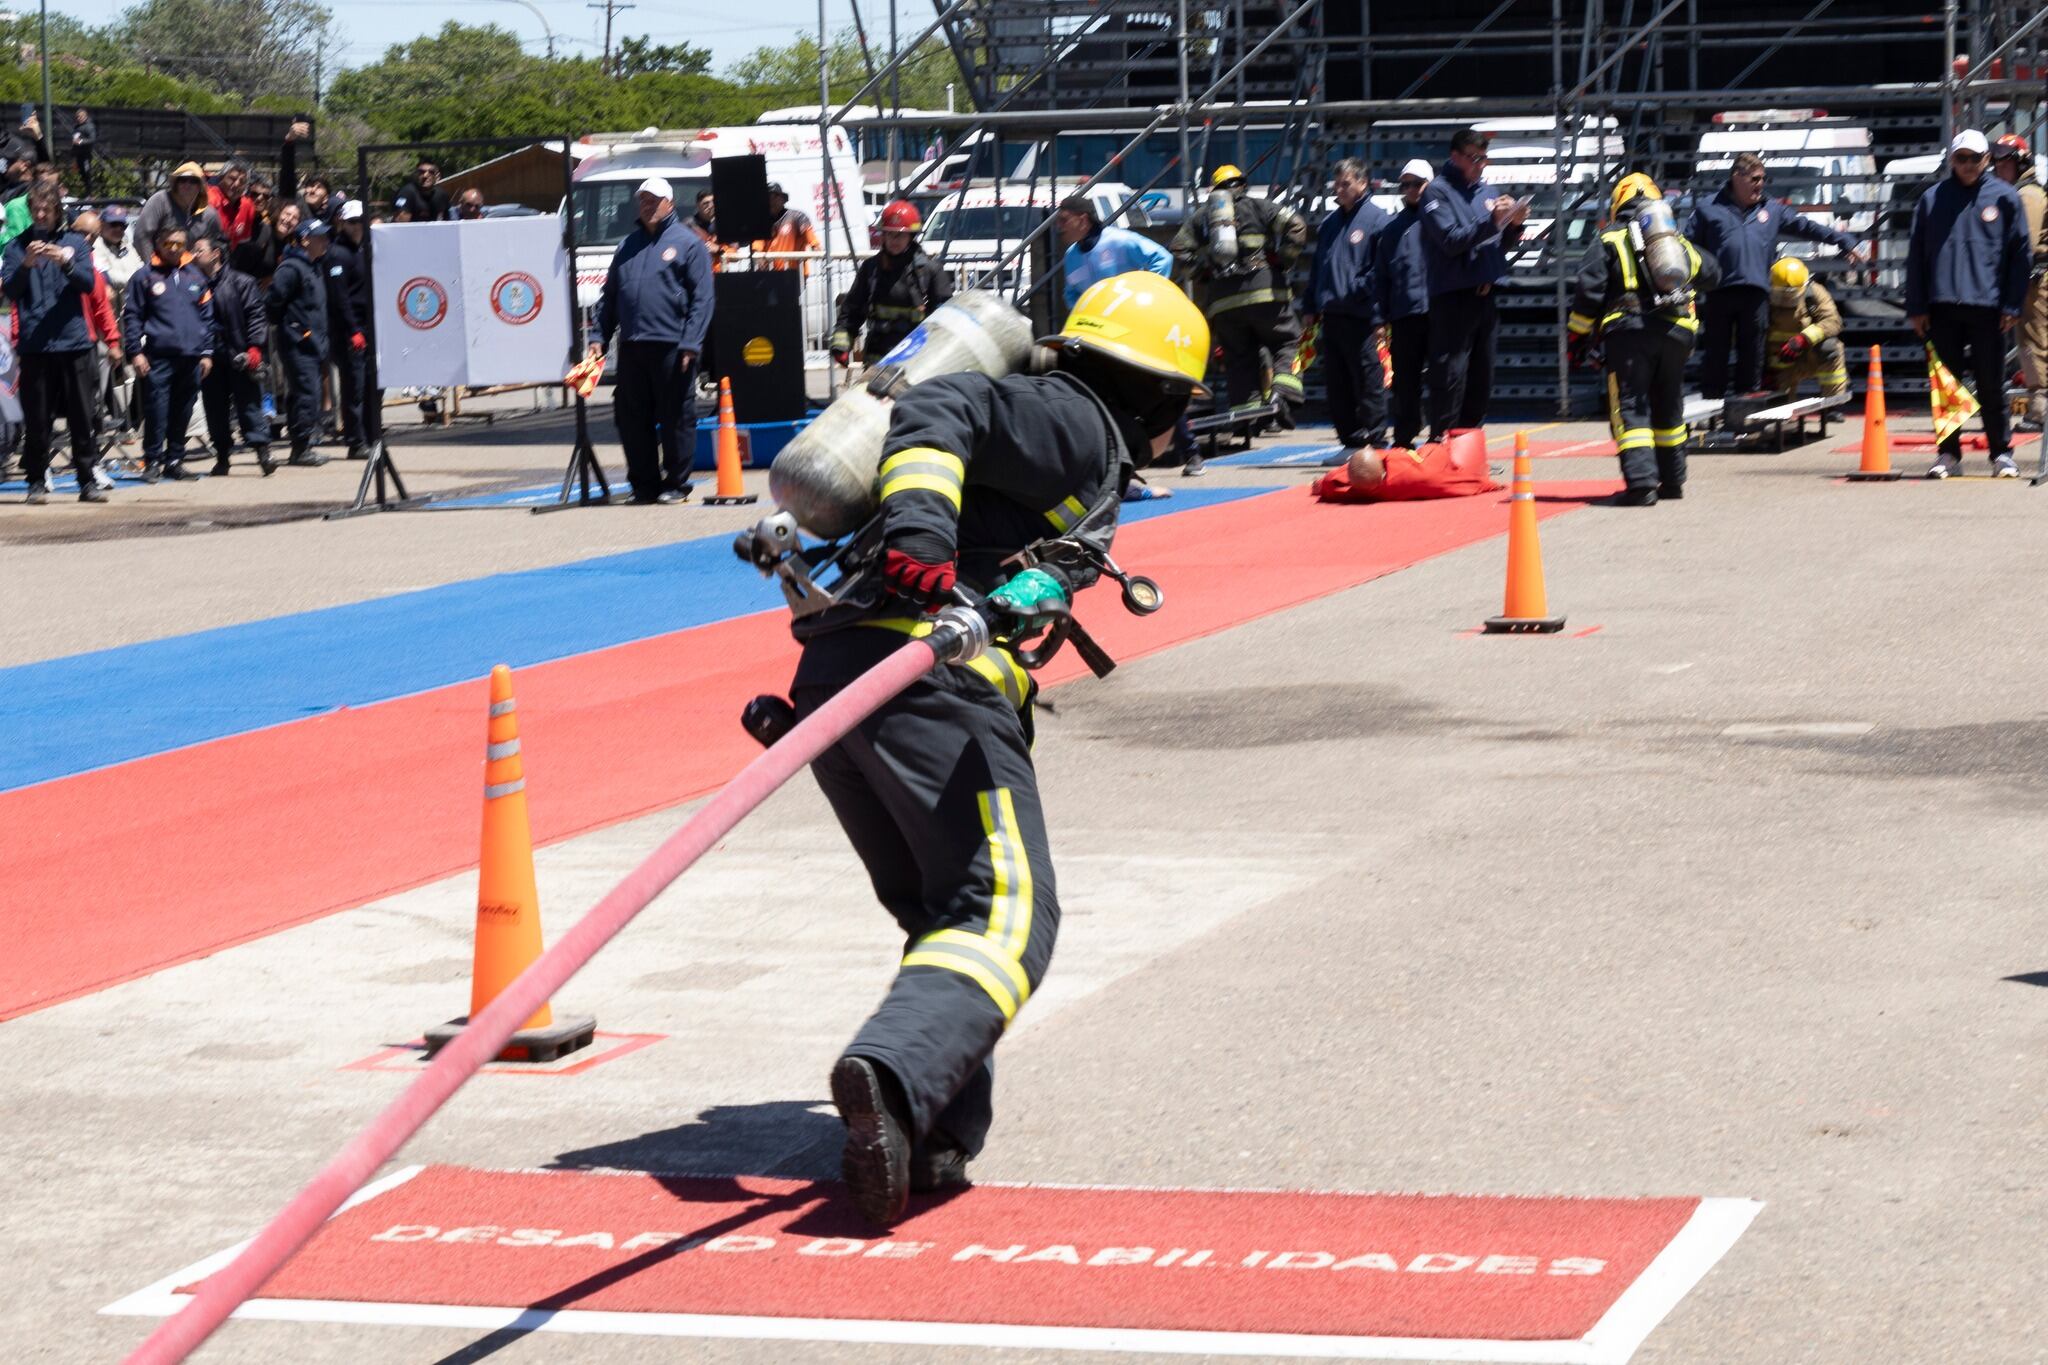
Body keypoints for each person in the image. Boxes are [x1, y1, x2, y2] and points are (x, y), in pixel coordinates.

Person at [785, 272, 1210, 1226]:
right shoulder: (1078, 421)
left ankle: (925, 1129)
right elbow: (942, 402)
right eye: (1181, 404)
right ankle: (894, 1076)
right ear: (1157, 392)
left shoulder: (1068, 431)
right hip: (925, 681)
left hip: (845, 687)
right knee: (1009, 914)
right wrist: (925, 539)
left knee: (948, 914)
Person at [1567, 173, 1719, 506]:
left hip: (1630, 334)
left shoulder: (1609, 238)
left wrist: (1577, 337)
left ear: (1617, 202)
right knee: (1669, 405)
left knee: (1631, 405)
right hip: (1676, 334)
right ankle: (1673, 481)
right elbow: (1711, 272)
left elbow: (1589, 290)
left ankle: (1641, 485)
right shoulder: (1672, 240)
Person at [1686, 151, 1868, 400]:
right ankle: (1711, 401)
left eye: (1763, 179)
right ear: (1737, 177)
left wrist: (1844, 240)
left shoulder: (1772, 209)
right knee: (1715, 352)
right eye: (1755, 179)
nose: (1760, 184)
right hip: (1720, 292)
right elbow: (1687, 247)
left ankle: (1746, 405)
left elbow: (1807, 227)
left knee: (1753, 353)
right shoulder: (1709, 208)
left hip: (1756, 294)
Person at [1906, 129, 2033, 478]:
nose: (1967, 165)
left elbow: (2020, 256)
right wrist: (1916, 307)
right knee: (1946, 386)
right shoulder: (1932, 199)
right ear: (1951, 160)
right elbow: (1916, 256)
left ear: (1987, 160)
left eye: (1974, 158)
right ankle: (1948, 455)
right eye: (1961, 158)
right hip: (1941, 306)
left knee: (1992, 383)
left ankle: (2001, 453)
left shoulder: (2006, 198)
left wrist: (2012, 305)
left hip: (1988, 307)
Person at [590, 176, 714, 504]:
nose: (647, 205)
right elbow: (610, 296)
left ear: (669, 203)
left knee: (676, 417)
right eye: (642, 199)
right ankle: (644, 485)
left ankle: (676, 484)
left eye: (654, 199)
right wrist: (597, 335)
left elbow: (703, 298)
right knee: (632, 418)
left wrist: (691, 342)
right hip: (632, 345)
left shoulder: (689, 244)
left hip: (673, 346)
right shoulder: (626, 246)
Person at [1170, 164, 1309, 424]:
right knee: (1286, 343)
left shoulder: (1202, 217)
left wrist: (1203, 275)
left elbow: (1179, 248)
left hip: (1223, 302)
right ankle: (1282, 393)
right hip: (1266, 294)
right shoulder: (1260, 207)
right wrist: (1284, 260)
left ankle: (1247, 421)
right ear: (1242, 184)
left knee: (1239, 358)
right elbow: (1297, 226)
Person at [1420, 128, 1527, 440]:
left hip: (1486, 296)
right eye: (1475, 158)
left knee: (1482, 377)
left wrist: (1513, 226)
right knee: (1451, 376)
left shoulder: (1486, 192)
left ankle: (1469, 448)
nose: (1481, 164)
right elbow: (1451, 241)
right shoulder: (1436, 192)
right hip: (1454, 298)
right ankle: (1442, 443)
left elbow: (1496, 244)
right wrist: (1493, 220)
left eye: (1484, 158)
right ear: (1455, 157)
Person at [3, 183, 105, 503]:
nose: (42, 215)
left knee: (81, 415)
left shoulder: (75, 242)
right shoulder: (16, 247)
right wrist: (26, 265)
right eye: (37, 211)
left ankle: (86, 481)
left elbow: (88, 284)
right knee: (37, 417)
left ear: (58, 210)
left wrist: (66, 262)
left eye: (47, 210)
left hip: (74, 341)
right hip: (36, 345)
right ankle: (35, 481)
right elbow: (10, 293)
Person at [1305, 157, 1391, 455]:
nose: (1339, 189)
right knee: (1337, 381)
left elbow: (1381, 270)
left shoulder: (1377, 220)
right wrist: (1310, 305)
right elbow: (1319, 267)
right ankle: (1350, 439)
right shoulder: (1330, 223)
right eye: (1336, 183)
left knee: (1368, 378)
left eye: (1346, 183)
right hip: (1332, 315)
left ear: (1362, 183)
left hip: (1362, 315)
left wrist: (1356, 292)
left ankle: (1376, 438)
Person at [123, 222, 216, 481]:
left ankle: (175, 459)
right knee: (157, 410)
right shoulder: (144, 276)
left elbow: (207, 318)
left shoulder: (196, 276)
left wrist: (207, 352)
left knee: (183, 410)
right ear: (158, 244)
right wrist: (135, 352)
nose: (174, 249)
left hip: (191, 356)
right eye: (168, 244)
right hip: (158, 356)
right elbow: (132, 317)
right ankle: (152, 460)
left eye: (179, 244)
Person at [832, 199, 953, 369]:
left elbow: (945, 317)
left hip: (916, 360)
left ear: (911, 237)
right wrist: (841, 344)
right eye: (889, 234)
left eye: (900, 235)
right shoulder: (871, 269)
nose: (894, 240)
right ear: (883, 236)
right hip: (877, 358)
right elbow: (851, 311)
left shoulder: (930, 271)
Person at [191, 234, 272, 476]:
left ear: (216, 253)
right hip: (209, 357)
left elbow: (256, 315)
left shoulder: (241, 282)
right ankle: (223, 457)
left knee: (249, 405)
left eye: (199, 250)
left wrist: (255, 347)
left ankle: (263, 453)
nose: (194, 255)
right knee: (215, 409)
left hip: (239, 353)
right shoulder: (192, 284)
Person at [1372, 160, 1435, 449]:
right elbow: (1382, 276)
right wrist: (1380, 319)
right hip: (1405, 314)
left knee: (1443, 379)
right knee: (1405, 381)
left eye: (1416, 183)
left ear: (1430, 184)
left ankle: (1440, 437)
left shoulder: (1443, 219)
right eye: (1405, 185)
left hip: (1440, 313)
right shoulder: (1393, 229)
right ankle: (1404, 436)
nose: (1410, 190)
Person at [1991, 134, 2048, 432]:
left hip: (2037, 281)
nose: (1999, 168)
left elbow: (2023, 244)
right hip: (2034, 277)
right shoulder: (2023, 192)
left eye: (2004, 162)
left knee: (2033, 342)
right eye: (1997, 162)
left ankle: (2039, 411)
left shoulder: (2028, 196)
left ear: (2020, 162)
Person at [266, 219, 331, 468]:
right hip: (298, 344)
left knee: (306, 393)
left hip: (314, 343)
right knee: (306, 394)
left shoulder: (314, 267)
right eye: (319, 237)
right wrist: (294, 328)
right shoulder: (291, 268)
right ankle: (302, 447)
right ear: (305, 240)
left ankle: (300, 445)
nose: (325, 241)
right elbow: (273, 302)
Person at [1054, 195, 1171, 311]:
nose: (1059, 226)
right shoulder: (1071, 255)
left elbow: (1162, 258)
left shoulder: (1119, 240)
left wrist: (1147, 295)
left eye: (1064, 220)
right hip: (1098, 325)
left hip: (1132, 317)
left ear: (1083, 220)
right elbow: (1071, 294)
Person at [1310, 434, 1501, 503]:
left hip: (1399, 462)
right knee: (1441, 448)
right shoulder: (1420, 478)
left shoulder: (1346, 487)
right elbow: (1463, 483)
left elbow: (1327, 483)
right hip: (1424, 461)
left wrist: (1318, 485)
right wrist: (1489, 484)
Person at [325, 200, 371, 459]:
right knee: (353, 387)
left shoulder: (365, 249)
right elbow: (339, 297)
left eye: (361, 222)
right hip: (349, 331)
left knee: (371, 386)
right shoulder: (336, 254)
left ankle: (369, 433)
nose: (357, 227)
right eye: (352, 222)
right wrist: (353, 329)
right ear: (342, 223)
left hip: (369, 326)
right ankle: (355, 441)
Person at [1764, 257, 1847, 398]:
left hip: (1810, 356)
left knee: (1830, 347)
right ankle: (1780, 399)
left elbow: (1833, 321)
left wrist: (1803, 339)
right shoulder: (1763, 296)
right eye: (1781, 293)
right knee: (1779, 409)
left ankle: (1832, 402)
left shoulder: (1814, 293)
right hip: (1778, 360)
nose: (1785, 299)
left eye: (1791, 294)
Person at [134, 162, 212, 264]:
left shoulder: (209, 214)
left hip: (191, 273)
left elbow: (214, 245)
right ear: (176, 184)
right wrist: (152, 268)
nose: (187, 185)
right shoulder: (160, 200)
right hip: (159, 268)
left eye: (193, 181)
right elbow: (141, 236)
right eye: (182, 180)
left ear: (200, 186)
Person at [753, 181, 820, 273]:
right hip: (771, 274)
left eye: (775, 197)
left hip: (794, 274)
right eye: (768, 197)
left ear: (783, 199)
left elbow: (813, 241)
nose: (771, 201)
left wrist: (816, 248)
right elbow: (757, 247)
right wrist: (759, 258)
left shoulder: (798, 217)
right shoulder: (763, 222)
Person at [203, 158, 262, 256]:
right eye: (232, 178)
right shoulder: (209, 199)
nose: (236, 184)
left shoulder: (247, 206)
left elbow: (243, 242)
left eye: (242, 181)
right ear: (221, 178)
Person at [392, 158, 450, 225]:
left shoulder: (442, 195)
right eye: (421, 172)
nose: (425, 175)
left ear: (437, 176)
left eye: (431, 172)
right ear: (416, 174)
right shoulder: (407, 192)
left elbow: (448, 222)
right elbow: (400, 224)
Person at [70, 108, 95, 195]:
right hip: (78, 155)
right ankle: (85, 194)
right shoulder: (76, 127)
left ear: (85, 117)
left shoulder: (89, 126)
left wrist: (80, 141)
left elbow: (92, 139)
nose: (79, 118)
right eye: (77, 117)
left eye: (81, 116)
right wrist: (73, 158)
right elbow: (74, 143)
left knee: (87, 173)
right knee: (81, 175)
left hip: (86, 155)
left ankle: (90, 194)